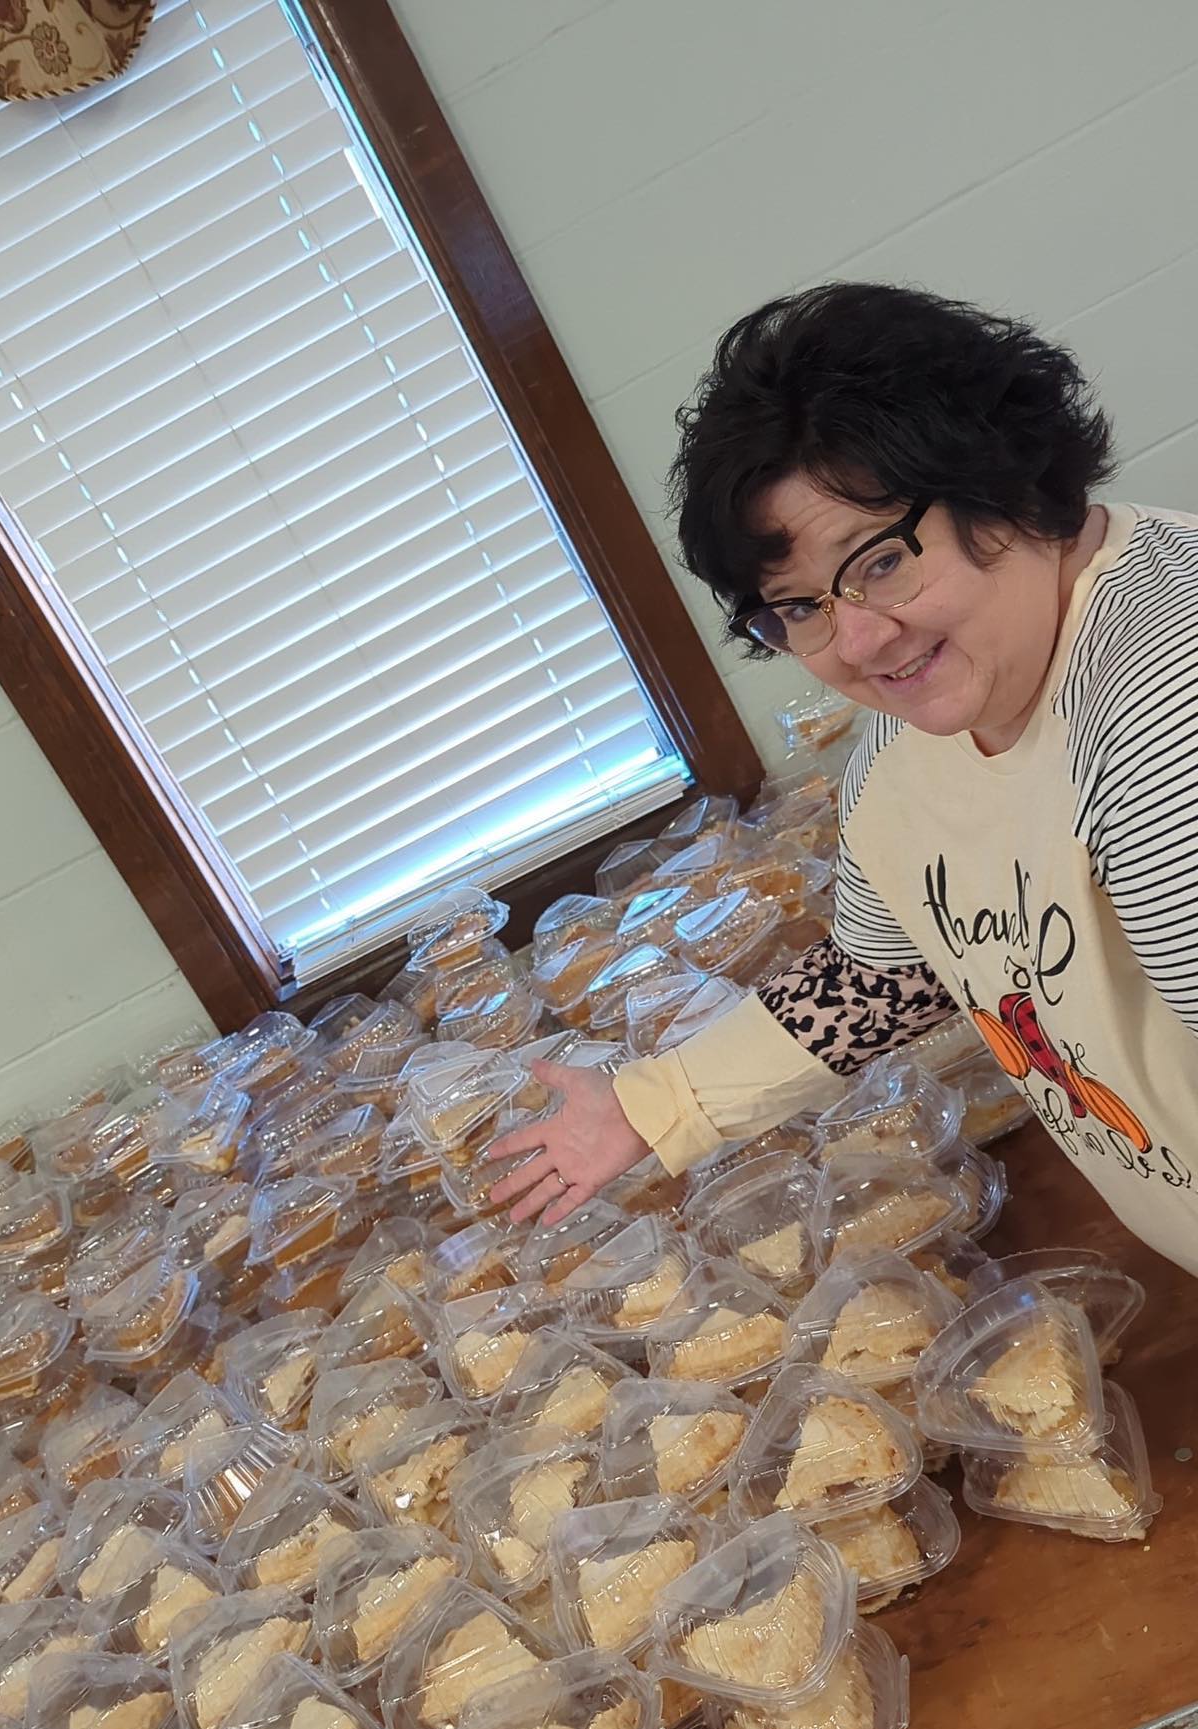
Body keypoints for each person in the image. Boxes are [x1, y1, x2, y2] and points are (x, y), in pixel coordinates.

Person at [490, 281, 1198, 1275]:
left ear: (1011, 487)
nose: (859, 639)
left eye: (879, 561)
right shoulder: (907, 750)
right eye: (797, 608)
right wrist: (653, 1106)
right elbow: (890, 972)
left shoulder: (1165, 721)